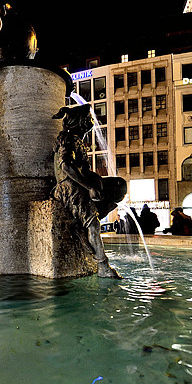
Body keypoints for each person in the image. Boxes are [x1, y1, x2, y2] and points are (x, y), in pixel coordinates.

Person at [51, 105, 127, 278]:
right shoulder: (68, 138)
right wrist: (90, 187)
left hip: (77, 184)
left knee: (118, 187)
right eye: (89, 119)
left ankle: (84, 226)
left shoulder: (75, 139)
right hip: (68, 187)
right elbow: (66, 165)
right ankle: (103, 266)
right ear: (81, 121)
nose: (92, 122)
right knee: (93, 224)